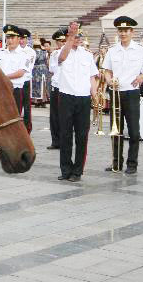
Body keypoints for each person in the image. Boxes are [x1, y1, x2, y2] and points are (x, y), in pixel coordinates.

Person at [101, 16, 143, 174]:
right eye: (120, 31)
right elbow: (107, 70)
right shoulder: (112, 50)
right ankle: (117, 162)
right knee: (116, 130)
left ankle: (132, 164)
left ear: (132, 32)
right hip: (116, 92)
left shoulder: (141, 49)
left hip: (132, 92)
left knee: (134, 131)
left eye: (126, 30)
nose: (123, 33)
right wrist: (109, 80)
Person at [55, 22, 98, 181]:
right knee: (65, 134)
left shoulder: (87, 55)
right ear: (68, 37)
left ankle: (77, 171)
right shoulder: (60, 51)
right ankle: (65, 169)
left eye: (79, 36)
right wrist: (70, 36)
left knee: (82, 136)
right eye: (74, 36)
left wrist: (95, 95)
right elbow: (62, 58)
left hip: (83, 98)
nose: (77, 39)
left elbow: (91, 77)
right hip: (66, 96)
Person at [0, 25, 33, 131]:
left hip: (15, 90)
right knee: (0, 118)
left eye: (12, 38)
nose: (9, 40)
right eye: (8, 37)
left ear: (19, 39)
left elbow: (20, 73)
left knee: (14, 119)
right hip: (1, 90)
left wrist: (3, 77)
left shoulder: (26, 55)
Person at [47, 28, 67, 150]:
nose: (62, 43)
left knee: (65, 115)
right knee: (54, 115)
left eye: (64, 41)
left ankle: (65, 140)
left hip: (66, 87)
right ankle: (55, 140)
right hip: (56, 85)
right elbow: (52, 69)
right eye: (59, 41)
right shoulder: (54, 54)